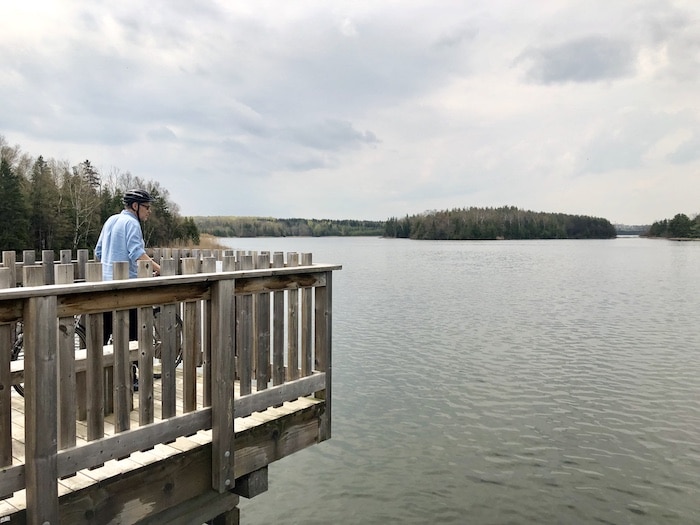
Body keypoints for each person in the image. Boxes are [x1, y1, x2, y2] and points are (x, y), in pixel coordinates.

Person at [95, 188, 161, 390]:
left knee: (105, 333)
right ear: (135, 206)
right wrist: (159, 268)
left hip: (107, 287)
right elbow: (137, 253)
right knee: (133, 333)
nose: (148, 212)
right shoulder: (132, 223)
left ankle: (103, 376)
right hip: (128, 288)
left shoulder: (111, 220)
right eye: (147, 207)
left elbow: (98, 252)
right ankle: (130, 378)